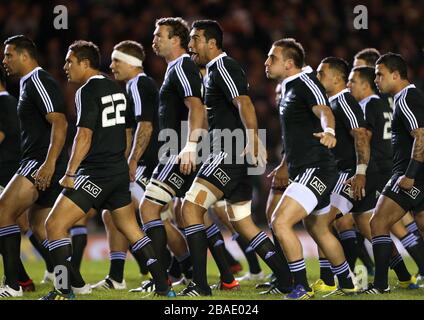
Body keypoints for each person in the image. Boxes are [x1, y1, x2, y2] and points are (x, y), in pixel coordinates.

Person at [39, 40, 174, 300]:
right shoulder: (117, 88)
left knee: (53, 225)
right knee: (132, 230)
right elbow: (126, 132)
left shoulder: (86, 91)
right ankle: (163, 286)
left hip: (95, 173)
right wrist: (121, 163)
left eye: (70, 62)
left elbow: (84, 135)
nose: (65, 67)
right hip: (116, 172)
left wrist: (70, 172)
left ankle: (63, 290)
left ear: (85, 63)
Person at [178, 19, 293, 297]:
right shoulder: (209, 73)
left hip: (229, 153)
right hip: (228, 153)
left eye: (194, 39)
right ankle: (287, 280)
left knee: (189, 209)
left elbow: (243, 101)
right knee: (242, 222)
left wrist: (253, 137)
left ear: (212, 43)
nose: (190, 45)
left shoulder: (223, 66)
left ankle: (200, 286)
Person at [265, 38, 356, 299]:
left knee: (279, 222)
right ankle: (347, 283)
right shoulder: (289, 87)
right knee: (318, 229)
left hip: (315, 168)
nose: (266, 62)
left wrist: (329, 130)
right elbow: (296, 133)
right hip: (305, 168)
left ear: (289, 63)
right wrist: (284, 164)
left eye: (272, 58)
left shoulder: (306, 83)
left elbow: (324, 109)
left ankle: (301, 287)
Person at [0, 35, 68, 298]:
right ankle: (74, 281)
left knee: (4, 211)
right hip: (39, 161)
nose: (4, 60)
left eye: (9, 55)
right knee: (40, 226)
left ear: (25, 56)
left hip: (39, 162)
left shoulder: (38, 80)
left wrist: (49, 164)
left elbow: (59, 122)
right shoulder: (28, 84)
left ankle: (13, 285)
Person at [364, 53, 424, 294]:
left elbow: (420, 136)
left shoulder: (407, 98)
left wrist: (410, 174)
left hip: (412, 173)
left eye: (380, 74)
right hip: (416, 172)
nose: (376, 79)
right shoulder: (404, 98)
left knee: (377, 222)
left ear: (396, 75)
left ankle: (379, 285)